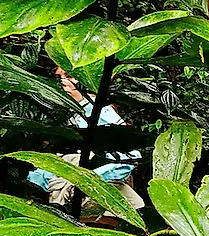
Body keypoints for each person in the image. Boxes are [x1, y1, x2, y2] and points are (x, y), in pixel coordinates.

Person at [26, 69, 145, 221]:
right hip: (61, 187)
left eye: (69, 76)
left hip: (93, 186)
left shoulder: (101, 111)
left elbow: (129, 158)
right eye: (58, 78)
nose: (63, 82)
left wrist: (85, 182)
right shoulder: (51, 114)